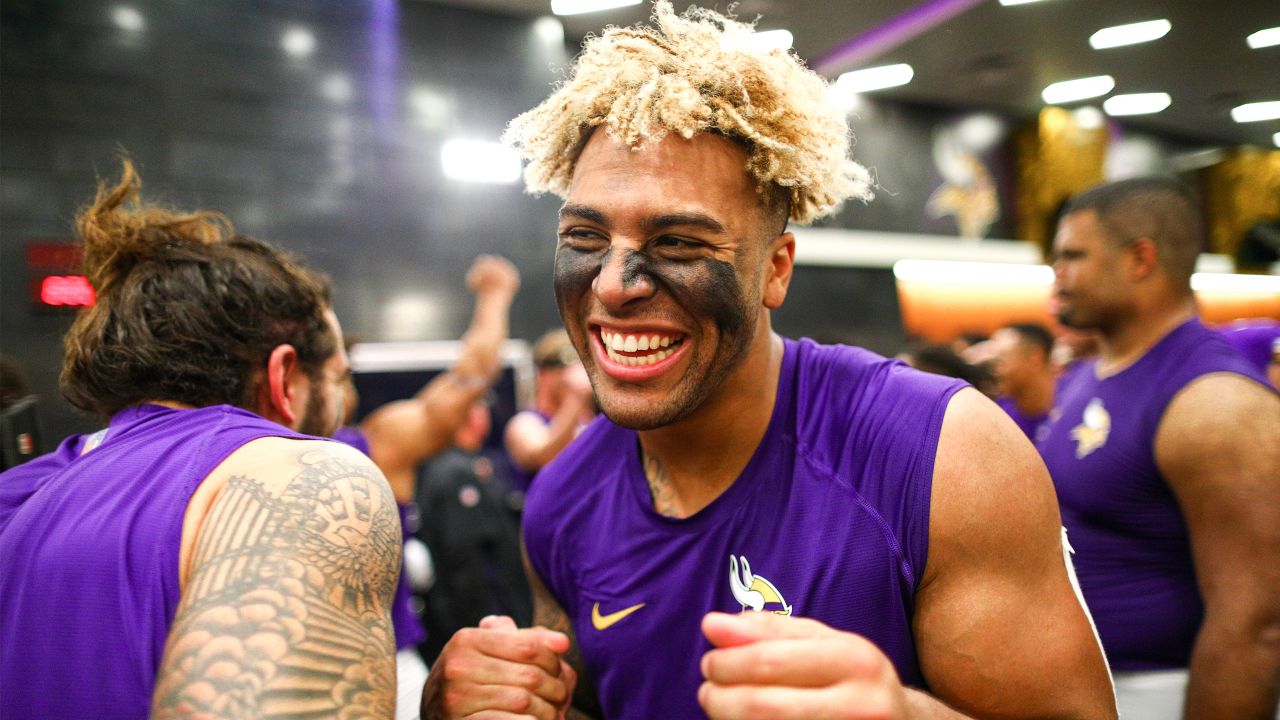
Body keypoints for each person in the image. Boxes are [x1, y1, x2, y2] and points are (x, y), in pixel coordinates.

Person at [422, 4, 1116, 719]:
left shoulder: (941, 455)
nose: (610, 286)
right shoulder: (561, 500)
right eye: (586, 235)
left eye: (680, 243)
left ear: (775, 270)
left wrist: (906, 716)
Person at [0, 161, 400, 718]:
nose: (341, 402)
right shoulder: (303, 476)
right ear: (285, 377)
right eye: (336, 378)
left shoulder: (16, 493)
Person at [1040, 176, 1280, 720]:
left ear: (1140, 259)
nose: (1057, 273)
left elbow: (1255, 625)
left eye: (1072, 255)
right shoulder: (1090, 373)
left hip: (1164, 695)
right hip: (1086, 685)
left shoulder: (1216, 403)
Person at [336, 254, 520, 718]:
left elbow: (470, 378)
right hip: (356, 666)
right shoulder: (373, 446)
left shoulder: (376, 444)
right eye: (338, 371)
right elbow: (471, 376)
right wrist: (495, 294)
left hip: (374, 665)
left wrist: (494, 298)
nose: (344, 382)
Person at [417, 398, 531, 663]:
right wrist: (489, 630)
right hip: (486, 630)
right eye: (479, 406)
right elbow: (465, 562)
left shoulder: (472, 464)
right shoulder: (454, 472)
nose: (486, 413)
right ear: (468, 416)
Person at [503, 328, 595, 491]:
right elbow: (542, 455)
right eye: (568, 368)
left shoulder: (586, 420)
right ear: (544, 375)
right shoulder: (525, 422)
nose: (578, 375)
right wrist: (575, 398)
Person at [986, 322, 1056, 441]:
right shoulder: (996, 416)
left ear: (1035, 358)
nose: (996, 371)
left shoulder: (1071, 408)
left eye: (1000, 361)